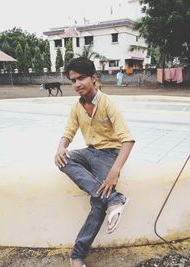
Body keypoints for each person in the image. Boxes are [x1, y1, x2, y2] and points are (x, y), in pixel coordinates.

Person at [54, 57, 135, 267]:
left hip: (109, 154)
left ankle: (77, 255)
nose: (77, 84)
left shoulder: (108, 103)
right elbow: (69, 131)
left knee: (97, 204)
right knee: (63, 159)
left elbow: (128, 140)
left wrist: (114, 172)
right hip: (90, 152)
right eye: (73, 80)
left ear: (94, 77)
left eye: (81, 78)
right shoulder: (77, 107)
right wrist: (61, 146)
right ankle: (114, 198)